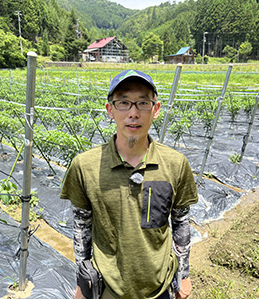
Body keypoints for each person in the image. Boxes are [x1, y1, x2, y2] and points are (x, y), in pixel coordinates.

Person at [60, 69, 198, 299]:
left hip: (160, 287)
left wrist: (183, 275)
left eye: (143, 103)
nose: (133, 113)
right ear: (110, 110)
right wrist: (83, 282)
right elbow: (81, 227)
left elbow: (180, 221)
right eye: (123, 103)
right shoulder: (85, 166)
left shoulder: (175, 164)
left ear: (156, 110)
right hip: (108, 289)